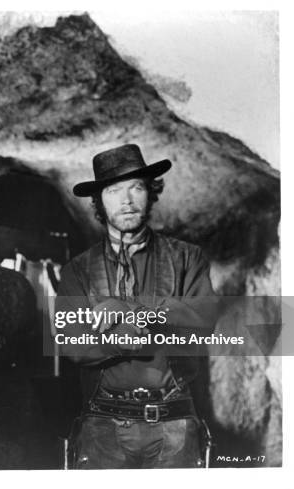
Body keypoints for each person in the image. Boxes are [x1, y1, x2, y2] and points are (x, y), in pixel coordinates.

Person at [57, 143, 219, 469]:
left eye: (137, 187)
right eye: (114, 190)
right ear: (99, 202)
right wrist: (140, 335)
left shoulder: (187, 258)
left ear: (151, 192)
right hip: (102, 426)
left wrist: (130, 308)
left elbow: (202, 320)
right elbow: (72, 343)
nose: (127, 200)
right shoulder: (77, 269)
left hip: (176, 424)